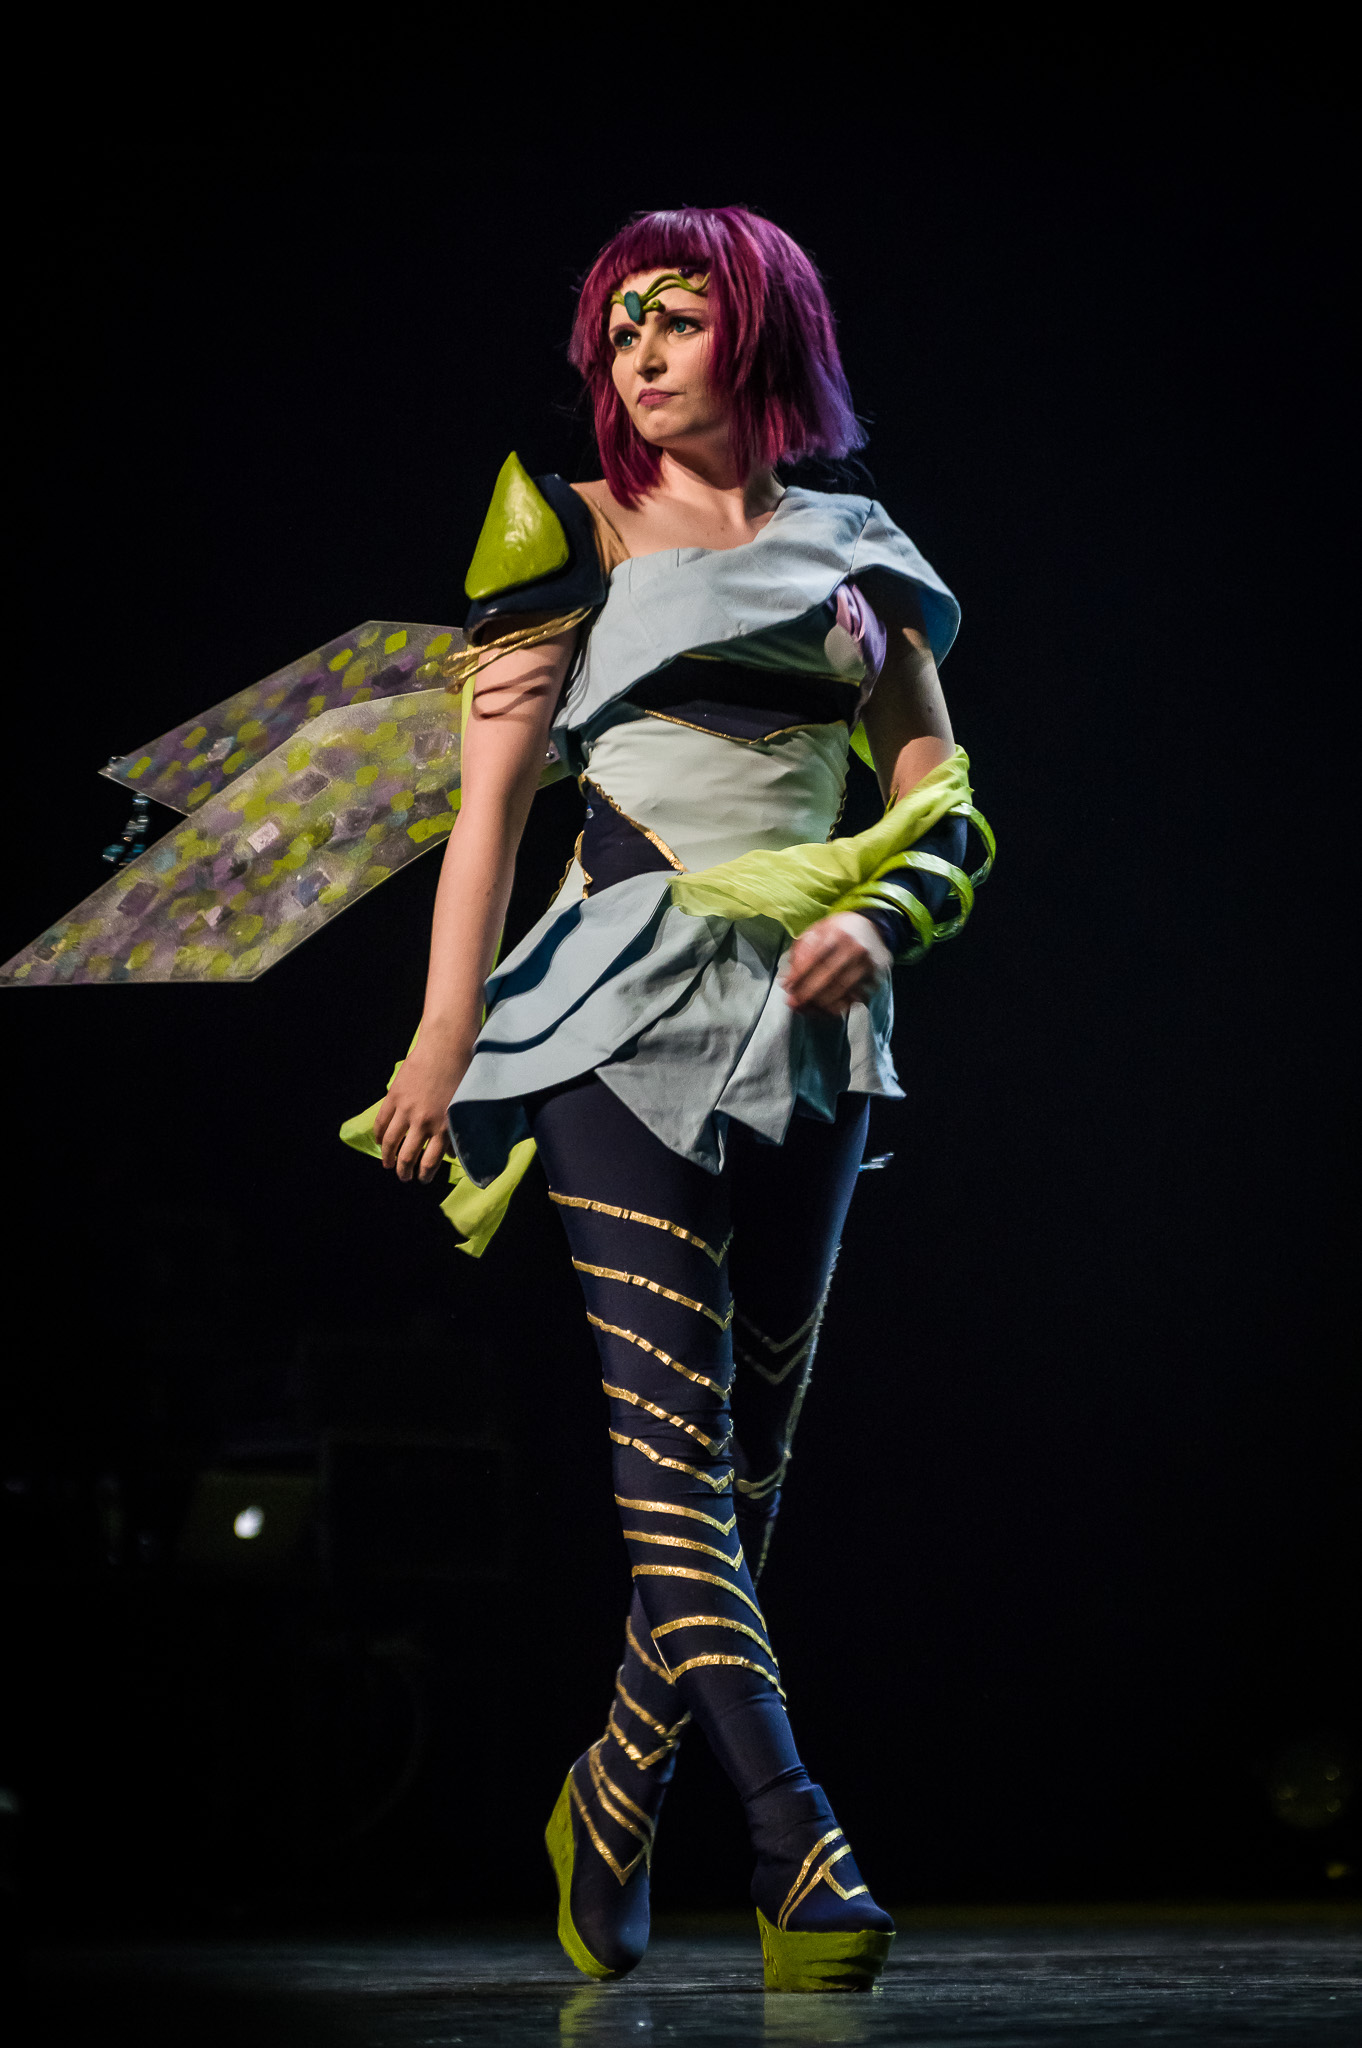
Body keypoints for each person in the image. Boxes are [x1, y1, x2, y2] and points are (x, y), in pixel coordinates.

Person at [371, 206, 991, 1994]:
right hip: (608, 1005)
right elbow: (490, 812)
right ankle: (796, 1838)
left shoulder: (856, 548)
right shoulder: (555, 532)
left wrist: (883, 915)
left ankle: (615, 1790)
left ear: (762, 334)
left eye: (677, 318)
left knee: (747, 1467)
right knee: (669, 1449)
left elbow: (943, 800)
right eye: (619, 327)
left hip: (805, 1029)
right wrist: (441, 1036)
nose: (639, 353)